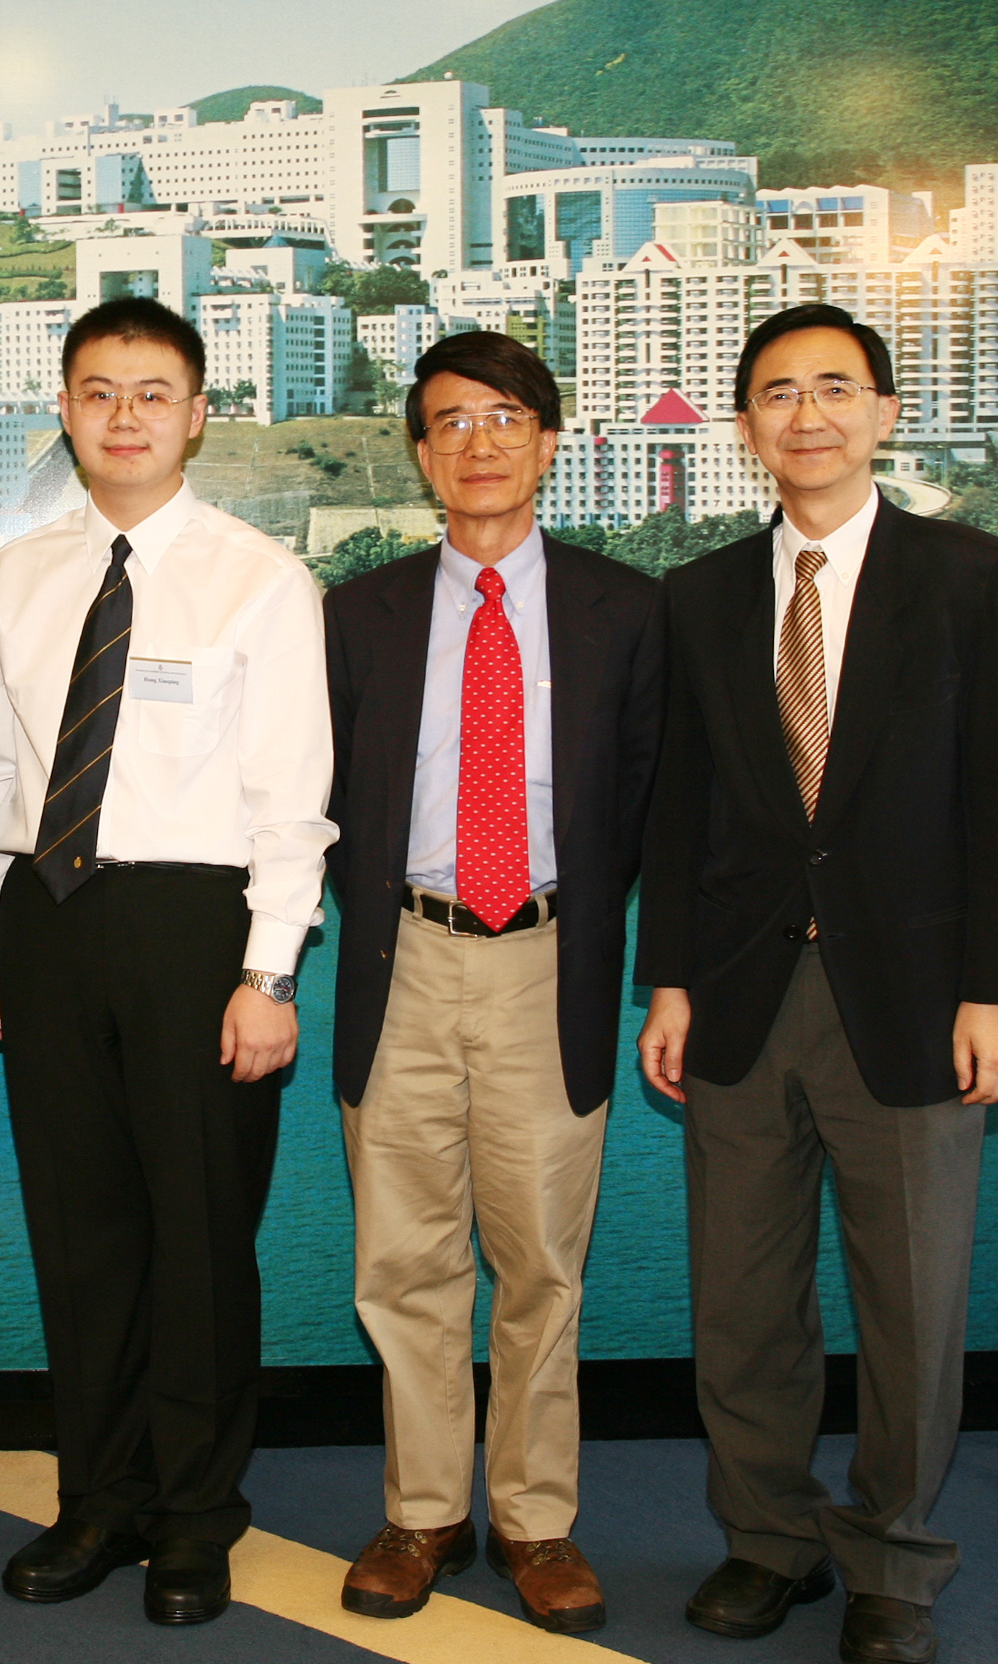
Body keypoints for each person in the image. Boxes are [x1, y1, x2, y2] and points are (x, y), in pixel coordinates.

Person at [635, 304, 998, 1664]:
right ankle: (767, 1539)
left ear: (883, 411)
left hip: (918, 999)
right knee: (742, 1302)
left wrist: (996, 990)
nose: (805, 414)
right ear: (746, 425)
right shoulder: (696, 598)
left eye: (834, 389)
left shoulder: (971, 576)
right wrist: (671, 984)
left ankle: (895, 1564)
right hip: (744, 1001)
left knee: (912, 1306)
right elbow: (677, 811)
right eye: (776, 393)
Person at [0, 296, 336, 1627]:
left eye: (152, 391)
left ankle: (193, 1517)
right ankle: (99, 1500)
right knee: (83, 1238)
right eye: (97, 391)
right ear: (62, 410)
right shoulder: (16, 577)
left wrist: (270, 972)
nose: (123, 415)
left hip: (199, 935)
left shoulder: (258, 577)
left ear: (197, 414)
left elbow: (296, 797)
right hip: (49, 922)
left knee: (199, 1242)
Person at [322, 333, 663, 1634]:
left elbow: (646, 803)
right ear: (420, 453)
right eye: (450, 421)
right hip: (400, 961)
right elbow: (322, 801)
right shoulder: (358, 613)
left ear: (549, 441)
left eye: (505, 416)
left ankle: (534, 1519)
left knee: (539, 1264)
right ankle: (422, 1514)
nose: (477, 442)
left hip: (548, 962)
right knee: (403, 1261)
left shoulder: (627, 611)